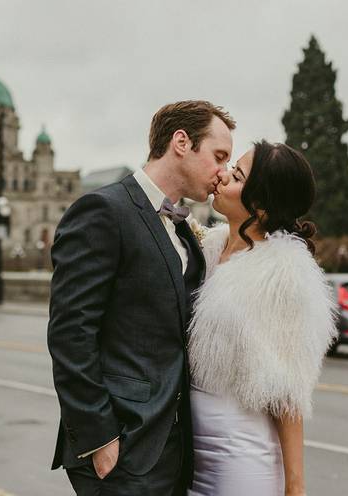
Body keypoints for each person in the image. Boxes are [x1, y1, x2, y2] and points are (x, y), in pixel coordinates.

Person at [47, 101, 235, 495]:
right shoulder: (102, 210)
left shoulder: (185, 231)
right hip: (122, 449)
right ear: (181, 142)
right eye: (219, 156)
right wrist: (100, 440)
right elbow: (71, 333)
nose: (223, 172)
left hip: (173, 448)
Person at [187, 140, 338, 496]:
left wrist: (295, 486)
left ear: (261, 206)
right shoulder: (207, 247)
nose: (222, 176)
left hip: (240, 457)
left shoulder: (282, 276)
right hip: (187, 454)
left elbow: (289, 393)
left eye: (236, 175)